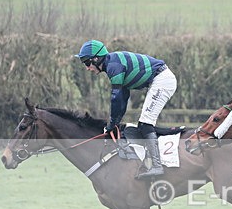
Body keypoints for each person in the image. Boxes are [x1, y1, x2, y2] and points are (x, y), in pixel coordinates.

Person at [76, 39, 177, 180]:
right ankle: (150, 160)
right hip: (160, 79)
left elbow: (116, 98)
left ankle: (156, 165)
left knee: (146, 123)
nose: (87, 68)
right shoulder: (112, 64)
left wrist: (112, 123)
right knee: (143, 124)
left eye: (87, 63)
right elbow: (123, 96)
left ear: (96, 59)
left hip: (162, 80)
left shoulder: (113, 67)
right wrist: (115, 123)